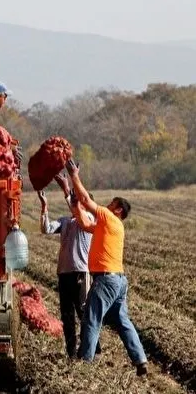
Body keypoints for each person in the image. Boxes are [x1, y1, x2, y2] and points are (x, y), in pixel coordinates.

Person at [65, 159, 148, 376]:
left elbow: (86, 199)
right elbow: (84, 223)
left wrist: (74, 175)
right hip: (119, 281)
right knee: (122, 321)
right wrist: (75, 206)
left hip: (106, 279)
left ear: (118, 209)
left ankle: (84, 363)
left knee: (91, 318)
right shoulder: (110, 225)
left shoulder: (109, 217)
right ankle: (140, 359)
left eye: (112, 204)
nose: (107, 205)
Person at [38, 173, 101, 358]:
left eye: (81, 201)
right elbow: (46, 229)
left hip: (81, 272)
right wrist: (44, 207)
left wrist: (66, 187)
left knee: (84, 312)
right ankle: (71, 353)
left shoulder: (89, 219)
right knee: (67, 316)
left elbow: (76, 208)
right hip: (64, 273)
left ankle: (94, 349)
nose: (77, 203)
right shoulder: (66, 221)